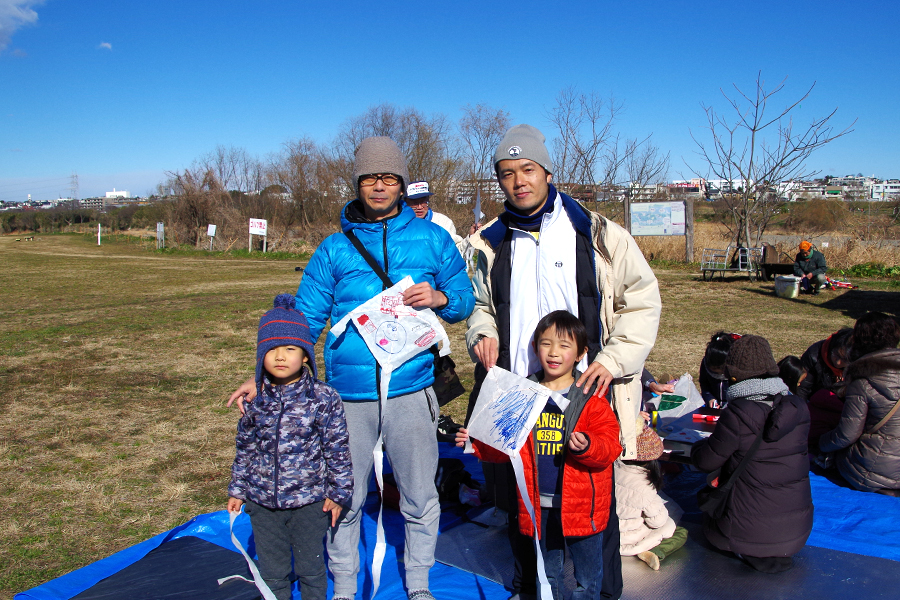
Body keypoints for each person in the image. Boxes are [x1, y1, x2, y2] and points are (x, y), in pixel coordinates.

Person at [229, 137, 475, 600]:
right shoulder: (334, 249)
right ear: (358, 183)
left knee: (421, 495)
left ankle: (419, 584)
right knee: (343, 498)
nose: (379, 187)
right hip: (346, 397)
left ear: (402, 184)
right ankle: (343, 588)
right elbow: (301, 320)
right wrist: (261, 374)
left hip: (410, 386)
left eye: (388, 178)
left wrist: (440, 298)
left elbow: (464, 300)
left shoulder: (433, 238)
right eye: (369, 178)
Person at [465, 124, 661, 600]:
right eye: (507, 174)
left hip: (585, 388)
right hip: (519, 392)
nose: (519, 181)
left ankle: (603, 592)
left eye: (527, 169)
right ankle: (529, 590)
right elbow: (479, 305)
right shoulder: (487, 243)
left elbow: (643, 299)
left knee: (593, 495)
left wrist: (613, 360)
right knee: (522, 499)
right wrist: (482, 331)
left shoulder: (595, 234)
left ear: (547, 172)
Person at [456, 310, 621, 600]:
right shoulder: (522, 393)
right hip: (538, 507)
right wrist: (477, 442)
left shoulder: (592, 398)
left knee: (587, 579)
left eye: (564, 345)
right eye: (545, 343)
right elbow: (504, 445)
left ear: (582, 353)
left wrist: (589, 446)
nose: (554, 352)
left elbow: (610, 446)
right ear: (535, 347)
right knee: (549, 574)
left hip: (583, 508)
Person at [227, 294, 353, 600]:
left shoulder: (323, 398)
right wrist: (238, 489)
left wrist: (339, 493)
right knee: (272, 572)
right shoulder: (255, 400)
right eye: (272, 350)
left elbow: (337, 449)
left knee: (311, 570)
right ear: (261, 356)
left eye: (290, 349)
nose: (280, 357)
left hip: (309, 503)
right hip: (262, 504)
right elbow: (245, 448)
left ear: (306, 355)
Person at [692, 335, 813, 574]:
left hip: (746, 532)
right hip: (797, 533)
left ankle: (747, 548)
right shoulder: (798, 407)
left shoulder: (738, 414)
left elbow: (706, 462)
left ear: (734, 375)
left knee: (707, 517)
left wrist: (696, 447)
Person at [819, 312, 900, 495]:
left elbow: (847, 434)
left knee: (834, 454)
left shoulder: (863, 380)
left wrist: (821, 442)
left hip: (876, 472)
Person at [614, 425, 687, 571]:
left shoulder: (611, 468)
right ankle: (655, 551)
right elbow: (657, 522)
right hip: (629, 539)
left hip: (607, 534)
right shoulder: (645, 486)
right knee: (676, 529)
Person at [798, 328, 853, 447]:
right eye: (836, 355)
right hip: (815, 404)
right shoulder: (815, 354)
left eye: (844, 359)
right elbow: (802, 388)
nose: (838, 363)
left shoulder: (857, 365)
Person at [698, 332, 740, 408]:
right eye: (713, 369)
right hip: (714, 407)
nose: (718, 372)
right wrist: (710, 398)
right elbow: (704, 384)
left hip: (734, 407)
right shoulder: (705, 364)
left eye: (721, 369)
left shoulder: (738, 369)